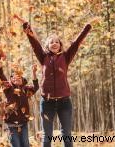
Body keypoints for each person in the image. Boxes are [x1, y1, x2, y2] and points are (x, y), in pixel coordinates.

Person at [14, 15, 92, 147]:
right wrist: (26, 25)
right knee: (47, 137)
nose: (54, 44)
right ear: (47, 46)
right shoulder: (43, 57)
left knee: (67, 136)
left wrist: (88, 26)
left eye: (57, 42)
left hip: (64, 102)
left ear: (60, 45)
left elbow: (76, 43)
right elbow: (34, 43)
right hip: (47, 102)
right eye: (51, 42)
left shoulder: (66, 57)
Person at [0, 48, 39, 147]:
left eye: (19, 76)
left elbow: (36, 87)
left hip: (23, 123)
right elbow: (1, 75)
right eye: (14, 76)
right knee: (16, 144)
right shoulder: (9, 88)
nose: (16, 78)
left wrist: (34, 73)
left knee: (25, 144)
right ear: (11, 79)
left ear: (23, 79)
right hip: (11, 123)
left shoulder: (26, 89)